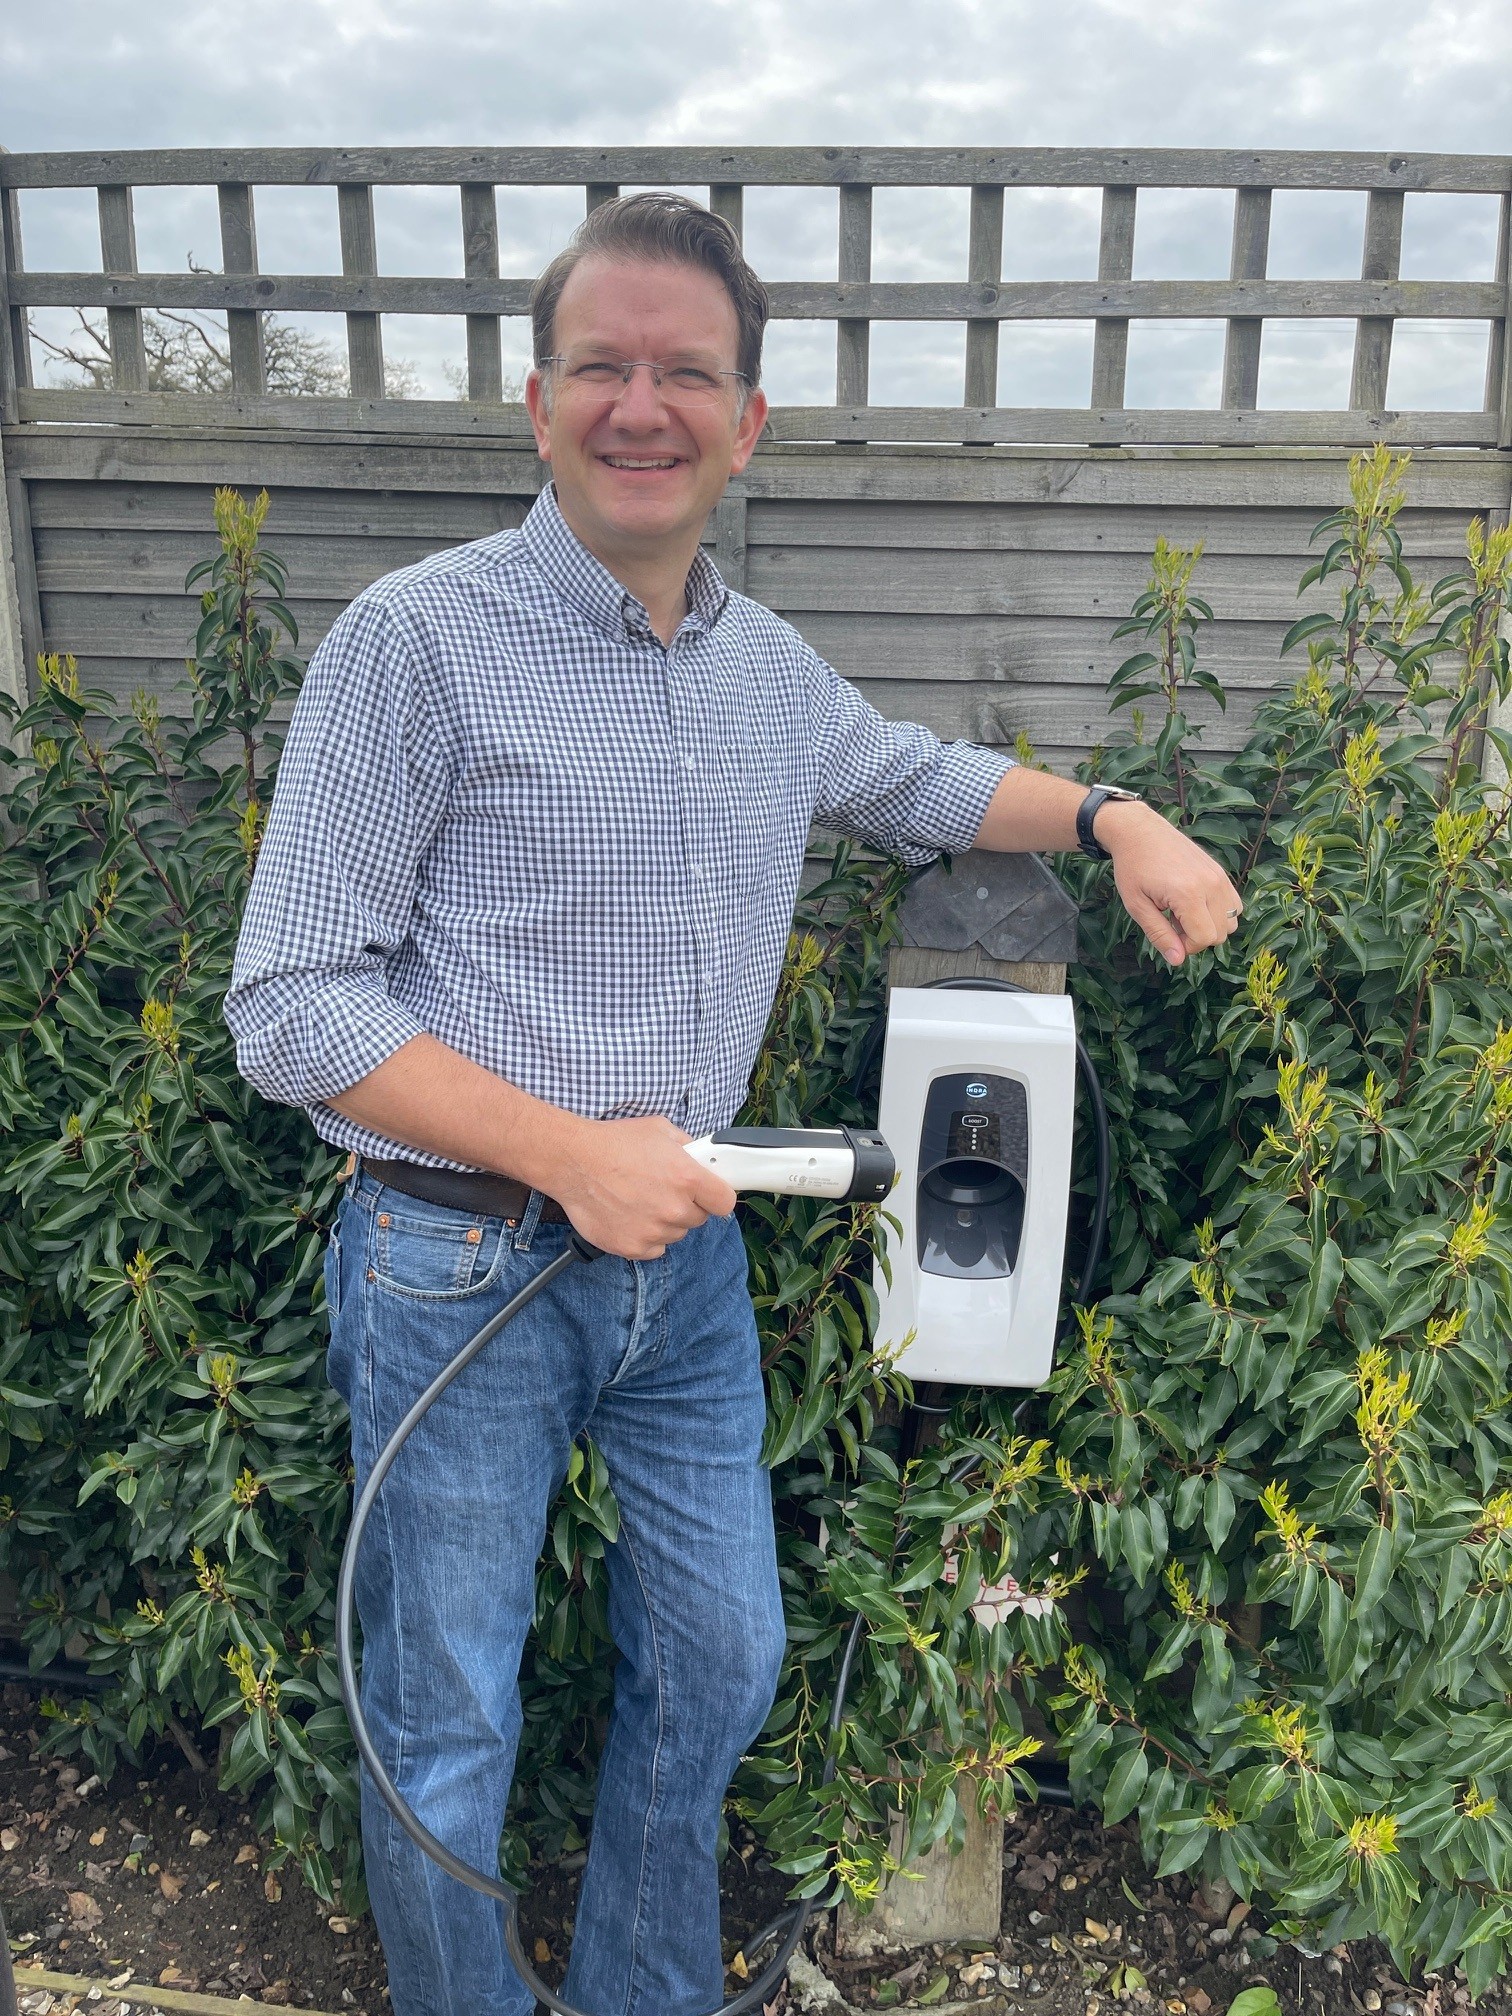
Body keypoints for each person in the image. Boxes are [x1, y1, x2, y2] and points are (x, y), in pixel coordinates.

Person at [225, 191, 1242, 2016]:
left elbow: (923, 777)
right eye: (601, 366)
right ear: (537, 404)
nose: (642, 405)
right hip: (458, 1265)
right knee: (442, 1713)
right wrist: (566, 1156)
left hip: (681, 1276)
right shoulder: (416, 642)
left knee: (724, 1657)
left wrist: (1113, 815)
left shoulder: (765, 671)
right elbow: (288, 1005)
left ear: (747, 420)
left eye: (684, 372)